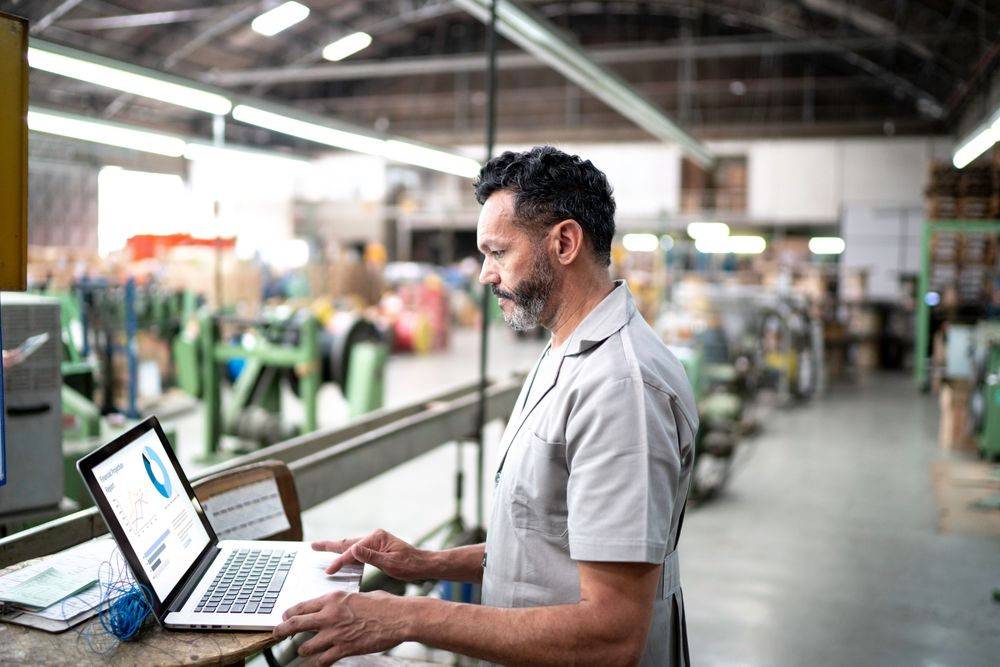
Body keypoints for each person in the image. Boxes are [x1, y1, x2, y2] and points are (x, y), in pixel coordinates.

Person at [274, 146, 698, 666]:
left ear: (565, 242)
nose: (484, 275)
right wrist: (428, 561)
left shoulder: (620, 388)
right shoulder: (567, 348)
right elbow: (549, 548)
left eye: (497, 253)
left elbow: (613, 633)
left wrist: (408, 617)